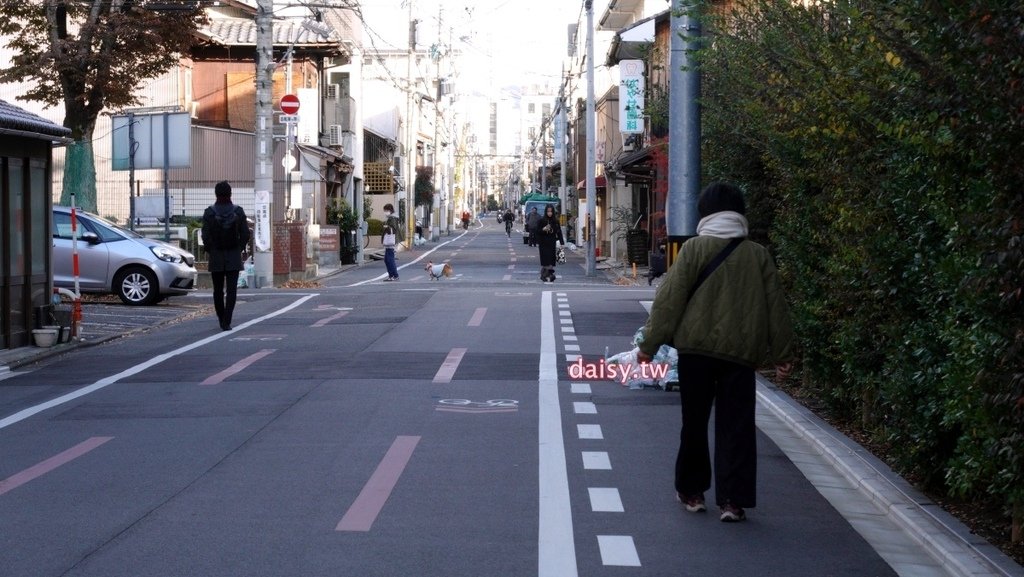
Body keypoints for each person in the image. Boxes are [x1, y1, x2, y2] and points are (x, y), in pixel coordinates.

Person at [635, 182, 795, 523]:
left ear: (705, 214)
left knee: (694, 423)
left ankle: (692, 493)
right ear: (740, 214)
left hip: (696, 352)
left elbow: (669, 300)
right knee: (737, 426)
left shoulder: (693, 249)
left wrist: (648, 346)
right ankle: (733, 501)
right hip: (740, 355)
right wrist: (782, 353)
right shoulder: (758, 254)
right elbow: (775, 307)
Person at [201, 181, 251, 331]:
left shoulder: (209, 212)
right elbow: (245, 234)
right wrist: (238, 248)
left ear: (216, 194)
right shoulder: (238, 211)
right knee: (231, 290)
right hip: (233, 256)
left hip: (216, 255)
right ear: (230, 193)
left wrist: (212, 250)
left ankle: (220, 317)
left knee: (217, 290)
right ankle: (227, 321)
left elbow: (205, 236)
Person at [535, 205, 563, 282]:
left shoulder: (555, 221)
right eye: (548, 211)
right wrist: (543, 229)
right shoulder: (541, 220)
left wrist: (561, 242)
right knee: (545, 260)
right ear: (545, 212)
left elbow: (559, 232)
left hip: (552, 242)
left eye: (551, 211)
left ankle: (547, 274)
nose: (549, 213)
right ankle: (547, 274)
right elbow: (537, 232)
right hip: (543, 243)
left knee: (551, 260)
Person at [381, 203, 403, 281]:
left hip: (391, 241)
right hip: (392, 241)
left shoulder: (392, 218)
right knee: (387, 259)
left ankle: (394, 275)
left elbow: (392, 228)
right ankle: (392, 275)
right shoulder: (392, 217)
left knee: (389, 259)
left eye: (386, 210)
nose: (385, 212)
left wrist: (386, 227)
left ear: (390, 210)